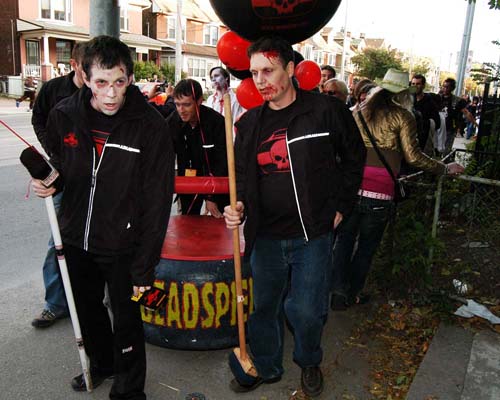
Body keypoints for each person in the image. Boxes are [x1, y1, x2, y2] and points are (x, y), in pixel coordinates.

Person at [30, 35, 175, 398]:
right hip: (76, 236)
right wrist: (52, 183)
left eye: (120, 82)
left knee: (127, 321)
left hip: (123, 244)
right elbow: (67, 169)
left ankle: (128, 389)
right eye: (101, 83)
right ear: (84, 75)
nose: (111, 93)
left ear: (129, 78)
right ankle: (102, 364)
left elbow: (158, 201)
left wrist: (145, 264)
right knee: (86, 310)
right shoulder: (64, 114)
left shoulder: (151, 125)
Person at [223, 36, 366, 397]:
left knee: (305, 309)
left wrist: (340, 207)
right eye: (254, 73)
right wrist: (236, 206)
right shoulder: (250, 123)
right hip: (265, 236)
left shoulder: (324, 111)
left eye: (268, 71)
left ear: (289, 69)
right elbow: (240, 176)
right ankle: (267, 366)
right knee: (264, 309)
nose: (260, 80)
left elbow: (353, 157)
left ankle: (309, 360)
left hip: (312, 235)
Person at [331, 69, 464, 311]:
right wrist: (444, 168)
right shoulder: (404, 116)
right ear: (404, 93)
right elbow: (413, 157)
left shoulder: (357, 112)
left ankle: (337, 292)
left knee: (344, 242)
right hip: (381, 192)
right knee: (367, 248)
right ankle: (353, 293)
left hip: (350, 187)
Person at [30, 41, 87, 328]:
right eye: (86, 66)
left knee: (98, 240)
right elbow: (37, 117)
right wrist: (51, 147)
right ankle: (55, 303)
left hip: (94, 179)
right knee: (58, 241)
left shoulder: (97, 91)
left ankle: (99, 298)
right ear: (75, 65)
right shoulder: (53, 90)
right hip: (62, 175)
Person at [167, 78, 228, 217]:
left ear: (199, 101)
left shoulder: (217, 122)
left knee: (218, 226)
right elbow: (164, 157)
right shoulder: (172, 122)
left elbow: (222, 161)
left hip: (215, 179)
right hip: (188, 178)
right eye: (177, 104)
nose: (181, 110)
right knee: (186, 223)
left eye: (187, 105)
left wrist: (212, 196)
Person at [440, 77, 477, 154]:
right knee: (436, 149)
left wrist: (476, 124)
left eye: (447, 87)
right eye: (443, 86)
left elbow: (466, 113)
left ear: (452, 88)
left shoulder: (457, 101)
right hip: (438, 128)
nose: (444, 89)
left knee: (446, 150)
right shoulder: (438, 98)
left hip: (449, 129)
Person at [411, 74, 441, 154]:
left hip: (422, 140)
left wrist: (422, 122)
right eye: (413, 84)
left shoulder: (430, 103)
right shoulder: (408, 99)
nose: (415, 86)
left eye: (418, 84)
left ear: (423, 86)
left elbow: (437, 123)